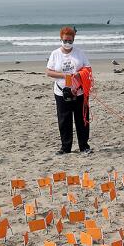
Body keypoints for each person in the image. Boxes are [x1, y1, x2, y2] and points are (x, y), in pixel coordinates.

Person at [45, 26, 92, 155]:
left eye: (70, 41)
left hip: (79, 91)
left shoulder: (79, 53)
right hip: (61, 91)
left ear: (73, 40)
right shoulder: (55, 54)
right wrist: (63, 76)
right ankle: (65, 147)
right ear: (61, 39)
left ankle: (84, 146)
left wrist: (79, 74)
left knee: (82, 119)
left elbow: (88, 68)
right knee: (64, 120)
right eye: (65, 40)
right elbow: (48, 72)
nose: (67, 43)